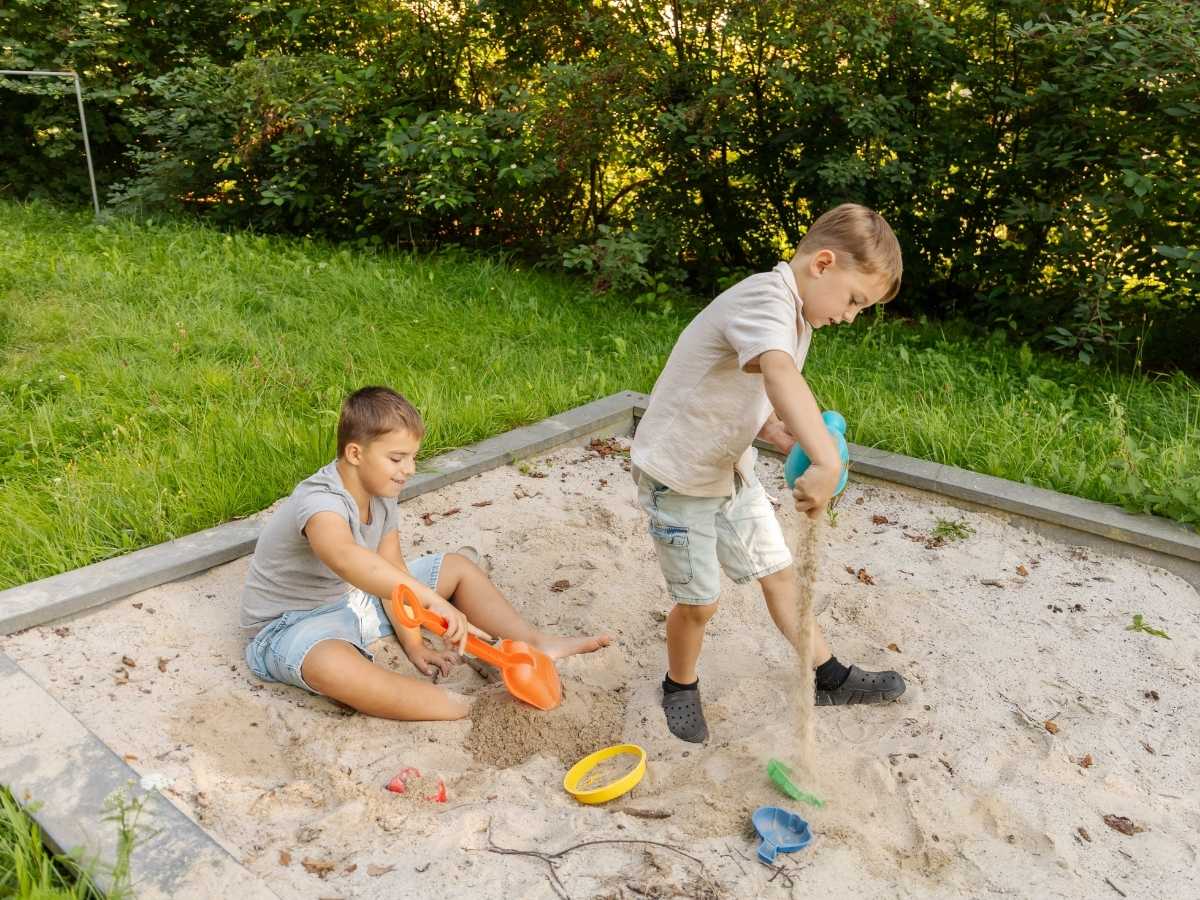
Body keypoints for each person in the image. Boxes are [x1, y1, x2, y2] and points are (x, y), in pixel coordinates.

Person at [631, 203, 907, 743]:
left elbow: (747, 397)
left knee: (780, 574)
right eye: (854, 300)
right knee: (699, 602)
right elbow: (778, 372)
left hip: (728, 471)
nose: (851, 316)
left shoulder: (794, 314)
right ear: (823, 264)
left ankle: (828, 676)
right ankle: (679, 684)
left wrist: (781, 434)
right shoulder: (765, 298)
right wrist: (823, 456)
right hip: (680, 479)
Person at [241, 385, 610, 720]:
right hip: (290, 625)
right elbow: (346, 557)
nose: (409, 470)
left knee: (456, 567)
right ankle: (467, 707)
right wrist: (432, 600)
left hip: (354, 603)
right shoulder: (320, 501)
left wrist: (415, 644)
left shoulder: (382, 495)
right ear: (355, 453)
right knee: (333, 667)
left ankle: (533, 643)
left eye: (413, 458)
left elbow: (392, 572)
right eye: (397, 458)